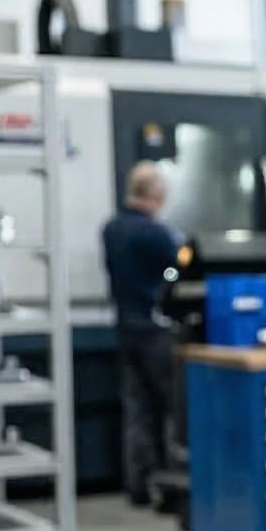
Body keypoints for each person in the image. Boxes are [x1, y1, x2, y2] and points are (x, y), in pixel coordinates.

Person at [102, 161, 182, 506]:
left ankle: (138, 486)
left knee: (137, 410)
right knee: (171, 411)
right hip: (157, 330)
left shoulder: (112, 229)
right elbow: (184, 266)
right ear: (154, 192)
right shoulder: (155, 233)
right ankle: (172, 488)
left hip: (125, 327)